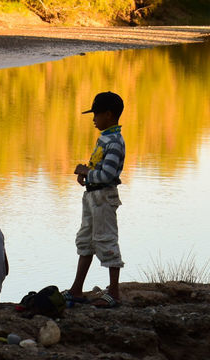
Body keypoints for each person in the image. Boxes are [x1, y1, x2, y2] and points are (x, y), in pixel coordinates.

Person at [68, 91, 126, 308]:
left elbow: (108, 175)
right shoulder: (105, 138)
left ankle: (114, 293)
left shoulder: (115, 142)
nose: (94, 119)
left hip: (104, 197)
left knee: (106, 240)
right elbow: (99, 169)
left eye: (97, 114)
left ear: (109, 115)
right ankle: (76, 289)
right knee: (86, 240)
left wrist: (86, 171)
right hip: (92, 196)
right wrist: (87, 176)